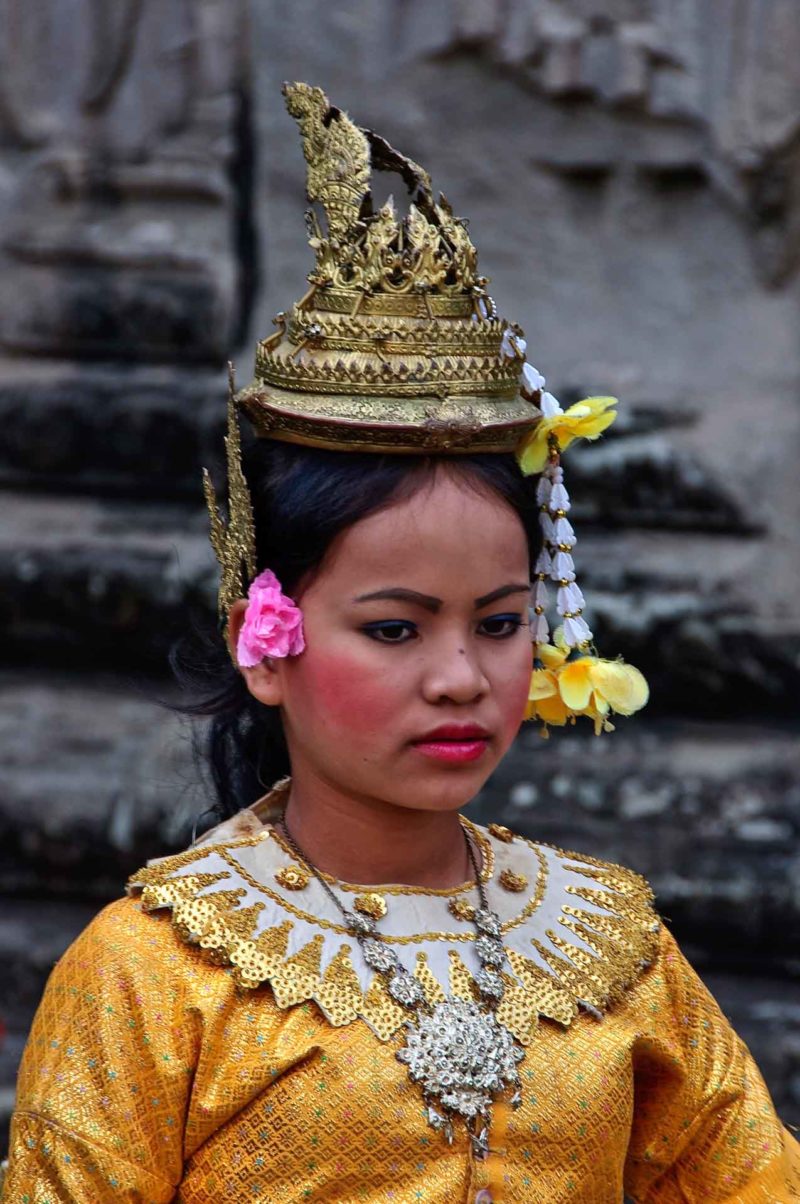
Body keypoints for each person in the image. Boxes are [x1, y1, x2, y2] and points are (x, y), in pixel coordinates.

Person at [2, 82, 798, 1204]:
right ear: (265, 640)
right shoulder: (150, 972)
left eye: (501, 622)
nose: (462, 677)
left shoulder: (612, 945)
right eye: (392, 628)